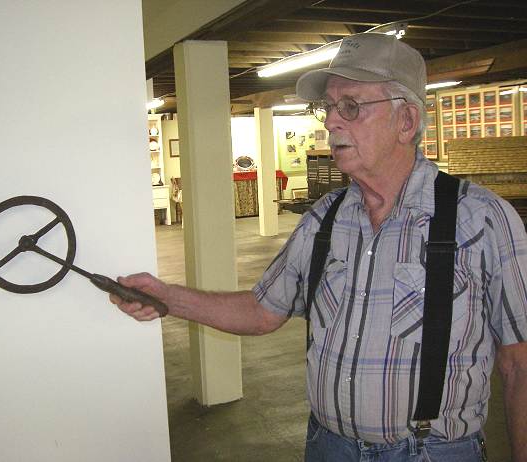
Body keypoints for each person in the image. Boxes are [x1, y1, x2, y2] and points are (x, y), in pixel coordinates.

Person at [111, 33, 527, 461]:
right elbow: (261, 311)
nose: (330, 122)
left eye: (350, 106)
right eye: (327, 107)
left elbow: (519, 364)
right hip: (328, 447)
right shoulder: (324, 219)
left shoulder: (480, 220)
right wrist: (169, 298)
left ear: (406, 121)